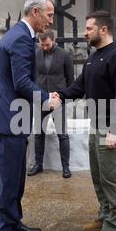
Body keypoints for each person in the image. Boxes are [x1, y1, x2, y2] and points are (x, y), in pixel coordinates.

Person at [0, 0, 60, 231]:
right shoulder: (20, 39)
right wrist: (47, 99)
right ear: (35, 12)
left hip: (11, 118)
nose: (51, 20)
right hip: (6, 121)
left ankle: (14, 223)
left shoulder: (22, 35)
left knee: (16, 177)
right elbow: (21, 83)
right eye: (49, 14)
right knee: (9, 180)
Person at [54, 11, 116, 231]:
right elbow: (79, 86)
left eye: (89, 28)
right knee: (99, 177)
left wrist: (115, 130)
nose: (85, 32)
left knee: (112, 179)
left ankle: (113, 229)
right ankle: (104, 215)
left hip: (110, 127)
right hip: (96, 124)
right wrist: (60, 95)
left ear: (103, 29)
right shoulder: (94, 57)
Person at [28, 29, 74, 179]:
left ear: (54, 40)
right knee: (38, 133)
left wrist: (63, 97)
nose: (44, 47)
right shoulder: (36, 53)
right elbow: (32, 76)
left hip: (58, 99)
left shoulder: (65, 55)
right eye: (42, 45)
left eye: (47, 44)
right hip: (40, 98)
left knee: (62, 135)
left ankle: (66, 167)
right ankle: (38, 164)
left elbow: (70, 80)